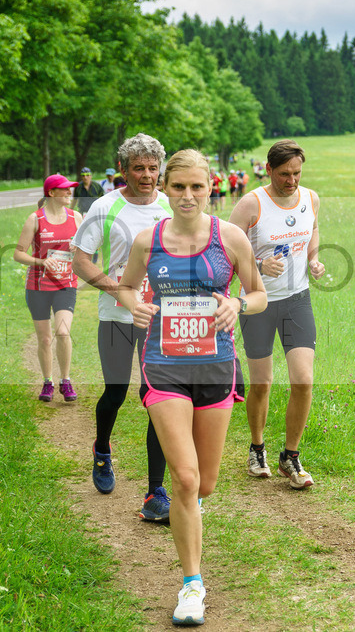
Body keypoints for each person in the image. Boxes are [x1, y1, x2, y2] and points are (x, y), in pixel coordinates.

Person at [118, 149, 266, 626]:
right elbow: (125, 287)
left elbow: (259, 294)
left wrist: (238, 306)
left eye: (196, 187)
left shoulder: (231, 238)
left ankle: (190, 513)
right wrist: (135, 306)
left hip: (216, 368)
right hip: (163, 367)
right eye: (177, 187)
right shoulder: (148, 241)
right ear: (165, 187)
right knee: (183, 479)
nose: (186, 196)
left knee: (204, 483)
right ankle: (191, 587)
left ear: (210, 188)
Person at [71, 133, 174, 522]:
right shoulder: (104, 206)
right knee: (114, 393)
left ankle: (155, 491)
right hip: (116, 317)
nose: (147, 175)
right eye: (138, 168)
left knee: (158, 398)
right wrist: (122, 293)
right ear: (123, 170)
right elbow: (81, 260)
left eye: (152, 168)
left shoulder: (170, 204)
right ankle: (101, 450)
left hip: (161, 318)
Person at [229, 139, 325, 489]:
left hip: (297, 300)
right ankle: (257, 448)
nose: (292, 181)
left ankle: (291, 455)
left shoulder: (310, 198)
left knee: (303, 379)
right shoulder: (251, 204)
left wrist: (313, 259)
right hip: (259, 303)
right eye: (285, 174)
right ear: (269, 170)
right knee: (263, 382)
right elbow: (224, 249)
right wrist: (256, 263)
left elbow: (312, 228)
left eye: (297, 173)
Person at [13, 174, 83, 402]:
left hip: (65, 284)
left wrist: (78, 249)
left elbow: (87, 250)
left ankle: (66, 380)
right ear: (52, 193)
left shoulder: (76, 217)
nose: (68, 192)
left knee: (62, 331)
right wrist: (41, 261)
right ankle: (47, 382)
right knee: (44, 339)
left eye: (69, 189)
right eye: (64, 189)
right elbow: (18, 253)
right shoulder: (35, 219)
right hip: (37, 286)